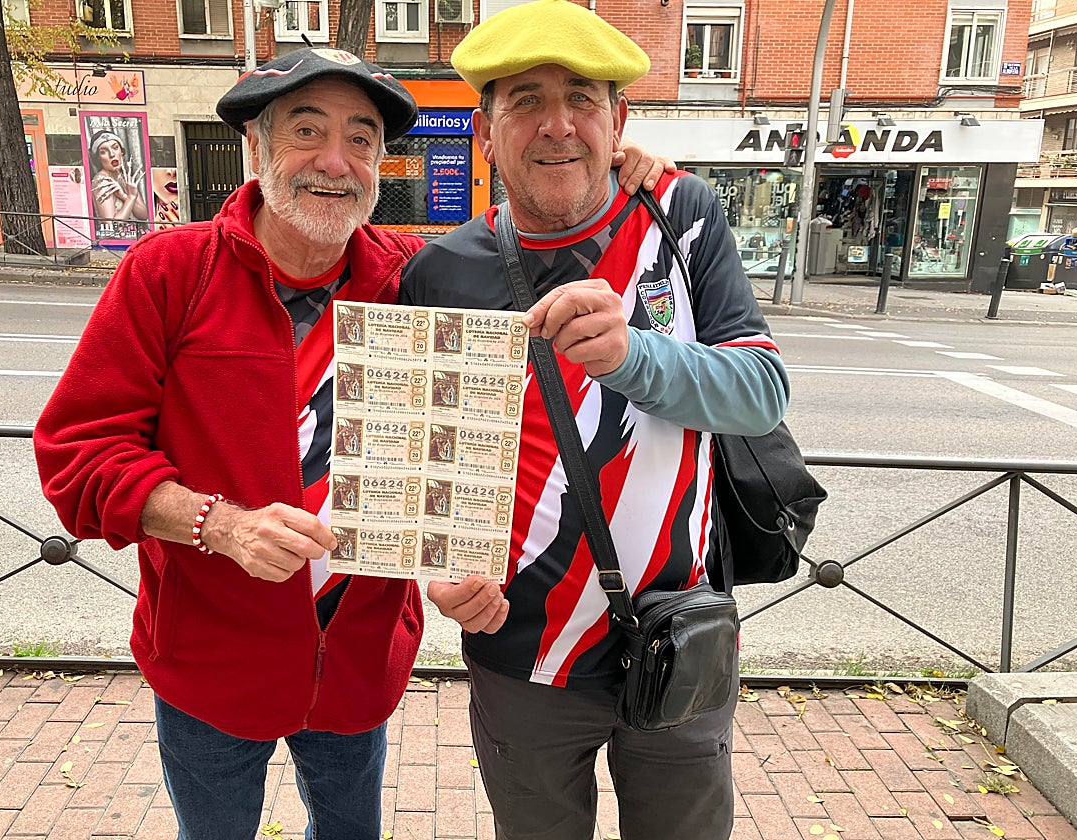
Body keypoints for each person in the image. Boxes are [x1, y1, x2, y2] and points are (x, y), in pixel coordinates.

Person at [34, 45, 672, 840]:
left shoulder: (410, 275)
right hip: (211, 663)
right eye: (308, 130)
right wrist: (220, 525)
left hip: (357, 666)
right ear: (257, 147)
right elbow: (78, 453)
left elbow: (470, 432)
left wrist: (623, 176)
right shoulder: (171, 272)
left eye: (362, 137)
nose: (336, 161)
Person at [399, 1, 790, 838]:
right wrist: (435, 569)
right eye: (526, 100)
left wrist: (633, 358)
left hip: (678, 632)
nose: (557, 124)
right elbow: (424, 458)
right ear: (484, 127)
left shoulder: (681, 219)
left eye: (582, 97)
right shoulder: (441, 268)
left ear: (619, 120)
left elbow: (761, 391)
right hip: (520, 651)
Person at [89, 129, 149, 223]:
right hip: (117, 237)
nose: (112, 154)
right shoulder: (102, 181)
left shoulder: (124, 176)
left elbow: (144, 215)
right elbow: (112, 225)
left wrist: (125, 196)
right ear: (98, 158)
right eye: (103, 152)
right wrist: (131, 197)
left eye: (115, 148)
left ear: (122, 152)